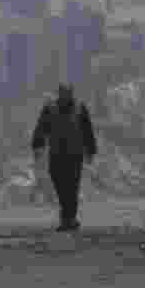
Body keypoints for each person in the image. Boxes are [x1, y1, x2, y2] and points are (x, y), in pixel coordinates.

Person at [31, 84, 97, 231]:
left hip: (74, 154)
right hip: (56, 154)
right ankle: (67, 216)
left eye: (68, 93)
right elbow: (42, 127)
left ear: (71, 94)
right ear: (59, 94)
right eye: (63, 93)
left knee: (72, 187)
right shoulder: (50, 108)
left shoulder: (79, 107)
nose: (65, 96)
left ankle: (69, 218)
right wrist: (37, 145)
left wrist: (90, 150)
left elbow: (87, 130)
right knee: (59, 184)